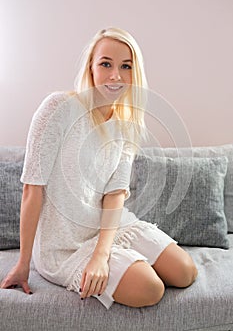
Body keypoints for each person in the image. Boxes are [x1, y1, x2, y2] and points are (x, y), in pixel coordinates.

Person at [0, 27, 197, 309]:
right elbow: (33, 188)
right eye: (106, 64)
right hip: (65, 246)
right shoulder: (58, 108)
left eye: (125, 66)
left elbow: (115, 194)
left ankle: (125, 261)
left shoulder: (127, 125)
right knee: (150, 289)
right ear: (91, 68)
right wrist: (23, 263)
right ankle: (129, 267)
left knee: (185, 271)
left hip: (110, 228)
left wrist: (102, 254)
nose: (115, 75)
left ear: (134, 74)